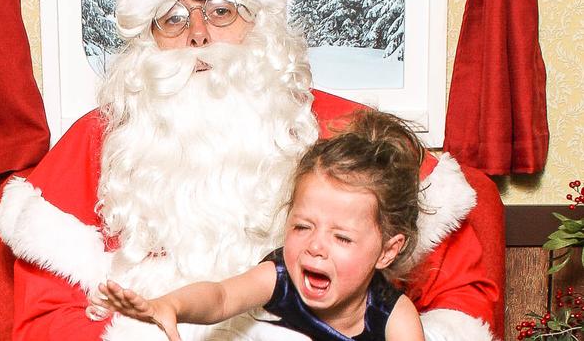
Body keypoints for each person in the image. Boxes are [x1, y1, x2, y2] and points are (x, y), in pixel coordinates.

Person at [0, 0, 503, 340]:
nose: (198, 34)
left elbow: (460, 294)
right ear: (147, 38)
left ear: (260, 24)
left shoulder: (350, 137)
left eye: (220, 10)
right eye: (172, 19)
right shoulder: (95, 144)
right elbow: (47, 316)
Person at [91, 110, 426, 341]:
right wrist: (171, 305)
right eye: (302, 227)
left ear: (387, 251)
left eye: (341, 237)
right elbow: (220, 297)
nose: (315, 247)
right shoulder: (280, 277)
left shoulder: (394, 316)